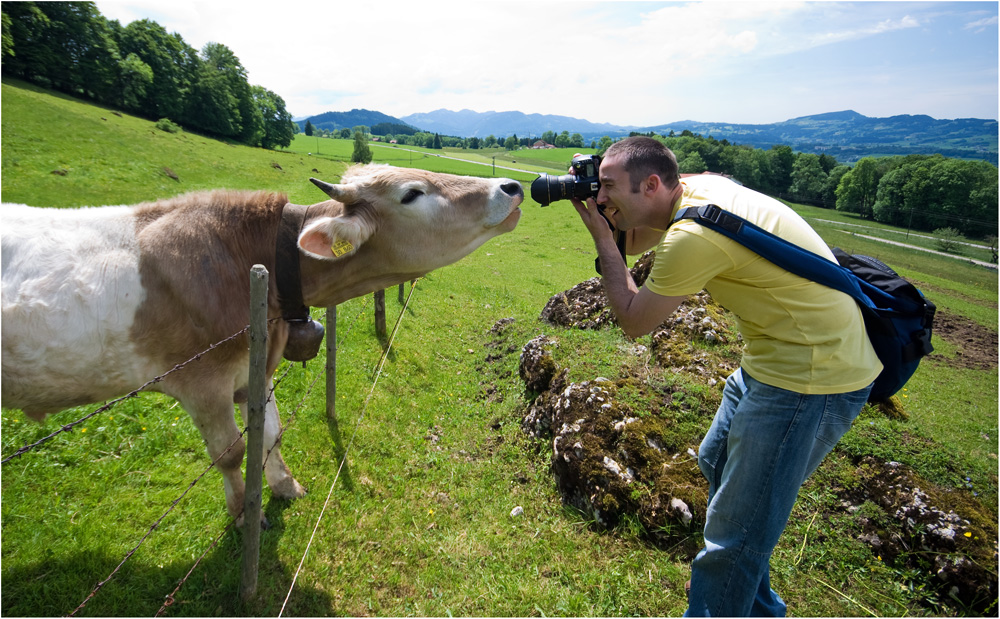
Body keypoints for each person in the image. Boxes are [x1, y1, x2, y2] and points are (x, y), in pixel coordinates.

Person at [568, 136, 881, 617]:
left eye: (608, 186)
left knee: (735, 534)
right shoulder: (697, 187)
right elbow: (637, 233)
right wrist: (600, 209)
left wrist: (601, 240)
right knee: (716, 464)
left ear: (651, 183)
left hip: (810, 377)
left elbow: (634, 322)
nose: (601, 196)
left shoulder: (693, 236)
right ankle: (756, 606)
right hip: (773, 360)